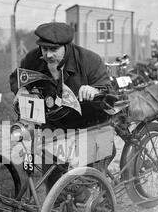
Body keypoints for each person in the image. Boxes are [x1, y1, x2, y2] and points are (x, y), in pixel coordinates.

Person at [9, 21, 114, 192]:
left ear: (66, 46)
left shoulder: (89, 60)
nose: (48, 55)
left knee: (84, 174)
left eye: (53, 50)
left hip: (87, 121)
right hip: (54, 120)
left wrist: (93, 90)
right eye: (44, 49)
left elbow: (108, 90)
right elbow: (16, 78)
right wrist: (20, 90)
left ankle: (96, 197)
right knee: (50, 162)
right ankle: (56, 208)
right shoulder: (33, 59)